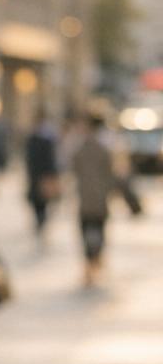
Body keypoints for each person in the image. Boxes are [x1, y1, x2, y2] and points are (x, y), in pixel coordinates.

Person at [69, 111, 117, 286]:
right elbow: (112, 173)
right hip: (100, 199)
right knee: (99, 231)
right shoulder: (105, 148)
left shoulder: (81, 147)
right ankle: (96, 261)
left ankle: (90, 264)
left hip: (86, 199)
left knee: (86, 231)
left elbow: (72, 165)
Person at [24, 109, 62, 243]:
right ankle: (40, 221)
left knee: (41, 201)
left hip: (40, 176)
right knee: (39, 202)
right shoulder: (36, 139)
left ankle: (41, 221)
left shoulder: (43, 139)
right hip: (38, 176)